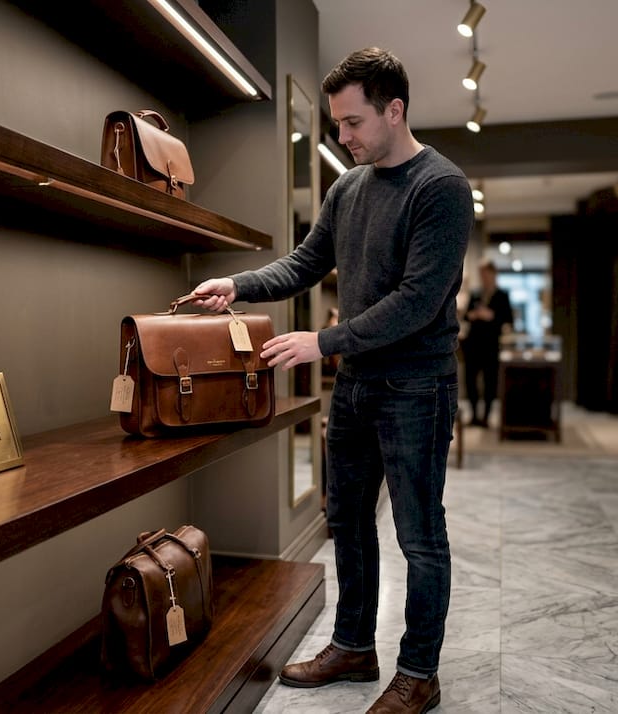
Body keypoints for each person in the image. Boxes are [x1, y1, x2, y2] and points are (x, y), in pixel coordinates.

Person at [191, 47, 471, 714]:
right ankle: (352, 645)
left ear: (394, 110)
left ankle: (419, 674)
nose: (341, 137)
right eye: (337, 124)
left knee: (419, 536)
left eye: (351, 123)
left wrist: (323, 340)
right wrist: (238, 283)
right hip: (356, 387)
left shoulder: (442, 188)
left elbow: (416, 302)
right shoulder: (349, 188)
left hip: (418, 389)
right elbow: (304, 264)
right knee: (346, 519)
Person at [461, 259, 513, 427]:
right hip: (473, 344)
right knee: (470, 381)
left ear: (493, 274)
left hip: (491, 345)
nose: (483, 277)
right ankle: (474, 415)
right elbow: (465, 316)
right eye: (481, 274)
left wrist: (491, 316)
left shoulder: (502, 296)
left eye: (485, 274)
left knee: (490, 381)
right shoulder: (475, 294)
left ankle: (486, 417)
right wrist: (474, 315)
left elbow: (508, 321)